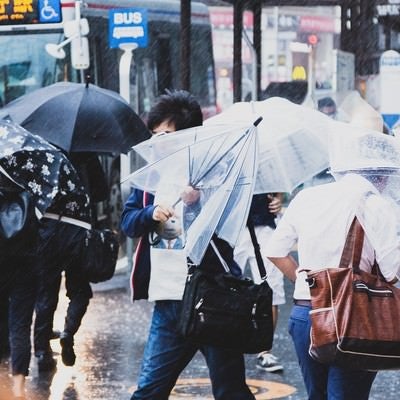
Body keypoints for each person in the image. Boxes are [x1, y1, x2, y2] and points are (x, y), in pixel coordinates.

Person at [121, 90, 255, 400]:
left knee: (230, 390)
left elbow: (228, 226)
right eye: (154, 134)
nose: (157, 141)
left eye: (165, 134)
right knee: (149, 391)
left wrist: (197, 203)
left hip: (212, 294)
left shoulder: (216, 172)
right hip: (168, 299)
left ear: (188, 134)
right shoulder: (151, 176)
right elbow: (128, 223)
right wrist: (149, 213)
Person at [265, 170, 400, 399]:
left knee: (317, 395)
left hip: (306, 312)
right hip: (354, 317)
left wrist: (308, 283)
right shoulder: (376, 205)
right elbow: (392, 272)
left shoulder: (306, 197)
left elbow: (275, 252)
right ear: (383, 174)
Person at [34, 153, 107, 371]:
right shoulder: (88, 155)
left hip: (48, 231)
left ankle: (41, 349)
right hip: (79, 231)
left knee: (46, 291)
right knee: (79, 290)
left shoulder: (44, 153)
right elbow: (101, 193)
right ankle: (68, 332)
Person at [234, 193, 285, 373]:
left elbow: (277, 187)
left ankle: (265, 351)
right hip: (233, 226)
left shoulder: (269, 165)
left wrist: (278, 201)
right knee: (224, 287)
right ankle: (223, 347)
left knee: (271, 290)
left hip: (265, 227)